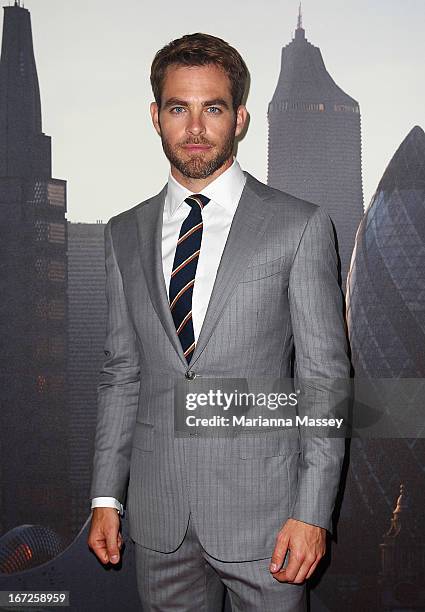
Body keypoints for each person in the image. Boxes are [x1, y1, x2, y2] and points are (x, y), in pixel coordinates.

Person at [87, 32, 351, 611]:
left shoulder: (299, 226)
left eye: (214, 108)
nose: (196, 128)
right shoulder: (122, 234)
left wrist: (313, 511)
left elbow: (324, 384)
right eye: (179, 108)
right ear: (156, 117)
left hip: (270, 522)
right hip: (157, 524)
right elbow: (120, 375)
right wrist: (107, 496)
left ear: (240, 118)